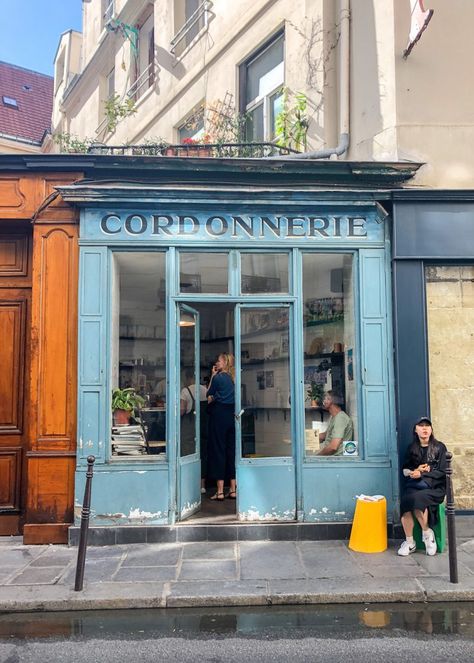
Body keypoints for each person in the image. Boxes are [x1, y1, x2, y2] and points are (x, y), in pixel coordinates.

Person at [398, 416, 447, 557]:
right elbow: (405, 470)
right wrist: (414, 471)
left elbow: (443, 471)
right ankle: (410, 542)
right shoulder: (412, 448)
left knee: (416, 500)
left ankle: (427, 533)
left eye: (427, 426)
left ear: (431, 430)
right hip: (414, 485)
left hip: (434, 488)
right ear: (415, 430)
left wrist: (425, 473)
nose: (424, 428)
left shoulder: (439, 447)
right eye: (421, 426)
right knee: (406, 501)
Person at [206, 353, 236, 501]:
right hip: (232, 416)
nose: (216, 363)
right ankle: (233, 489)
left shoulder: (218, 378)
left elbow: (209, 393)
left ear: (224, 363)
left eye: (218, 361)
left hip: (219, 416)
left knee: (219, 451)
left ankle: (219, 491)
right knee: (231, 452)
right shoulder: (233, 379)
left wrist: (212, 376)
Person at [180, 369, 209, 493]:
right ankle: (202, 485)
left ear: (187, 377)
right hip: (204, 426)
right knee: (202, 453)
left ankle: (189, 483)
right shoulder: (205, 389)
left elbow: (182, 410)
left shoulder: (185, 391)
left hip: (190, 427)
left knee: (188, 452)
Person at [317, 390, 354, 456]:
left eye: (327, 399)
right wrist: (308, 438)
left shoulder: (340, 419)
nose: (324, 401)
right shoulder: (334, 416)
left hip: (334, 457)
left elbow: (333, 447)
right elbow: (326, 434)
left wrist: (316, 457)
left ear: (333, 401)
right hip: (326, 451)